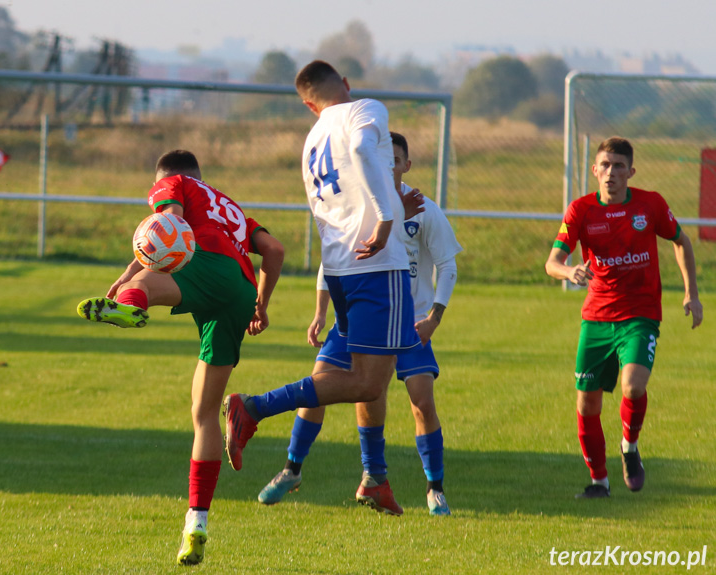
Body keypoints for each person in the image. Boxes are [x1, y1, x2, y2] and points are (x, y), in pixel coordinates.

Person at [76, 150, 285, 565]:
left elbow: (167, 224)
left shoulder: (174, 184)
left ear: (166, 177)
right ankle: (196, 525)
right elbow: (274, 250)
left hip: (205, 266)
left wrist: (133, 281)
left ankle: (135, 306)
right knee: (205, 413)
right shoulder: (231, 208)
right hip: (240, 290)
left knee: (148, 288)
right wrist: (260, 305)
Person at [222, 61, 421, 481]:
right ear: (346, 84)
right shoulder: (365, 109)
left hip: (339, 268)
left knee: (359, 376)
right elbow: (365, 151)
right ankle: (254, 406)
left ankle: (375, 478)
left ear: (310, 106)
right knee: (368, 383)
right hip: (378, 264)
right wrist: (387, 218)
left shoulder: (312, 139)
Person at [257, 132, 463, 516]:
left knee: (421, 401)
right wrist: (321, 312)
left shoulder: (422, 208)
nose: (387, 166)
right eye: (381, 159)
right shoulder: (361, 209)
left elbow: (448, 264)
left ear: (406, 165)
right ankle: (292, 469)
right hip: (359, 317)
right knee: (321, 383)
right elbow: (332, 260)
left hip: (411, 321)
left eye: (395, 159)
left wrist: (434, 317)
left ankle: (435, 490)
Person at [544, 136, 703, 499]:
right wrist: (570, 273)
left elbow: (682, 241)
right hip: (596, 318)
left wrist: (691, 293)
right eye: (605, 165)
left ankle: (629, 448)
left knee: (633, 386)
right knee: (587, 403)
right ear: (595, 170)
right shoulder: (580, 210)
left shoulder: (651, 205)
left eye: (619, 166)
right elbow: (552, 262)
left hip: (640, 314)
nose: (611, 172)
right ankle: (599, 481)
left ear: (631, 171)